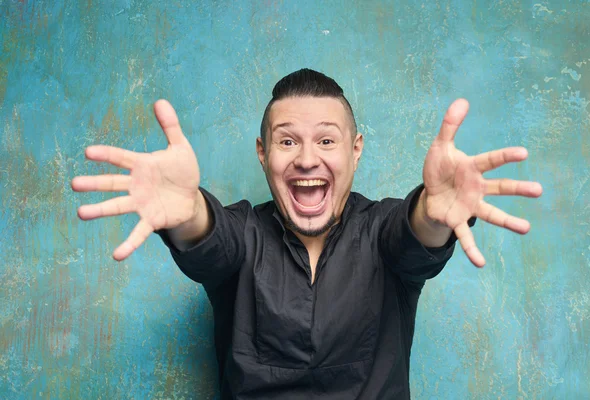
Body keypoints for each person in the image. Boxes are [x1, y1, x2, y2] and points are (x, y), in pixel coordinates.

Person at [71, 69, 542, 399]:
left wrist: (435, 213)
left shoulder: (382, 230)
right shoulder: (243, 233)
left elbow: (414, 238)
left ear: (355, 151)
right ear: (263, 152)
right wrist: (186, 210)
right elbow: (211, 243)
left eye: (327, 140)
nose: (306, 159)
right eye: (288, 140)